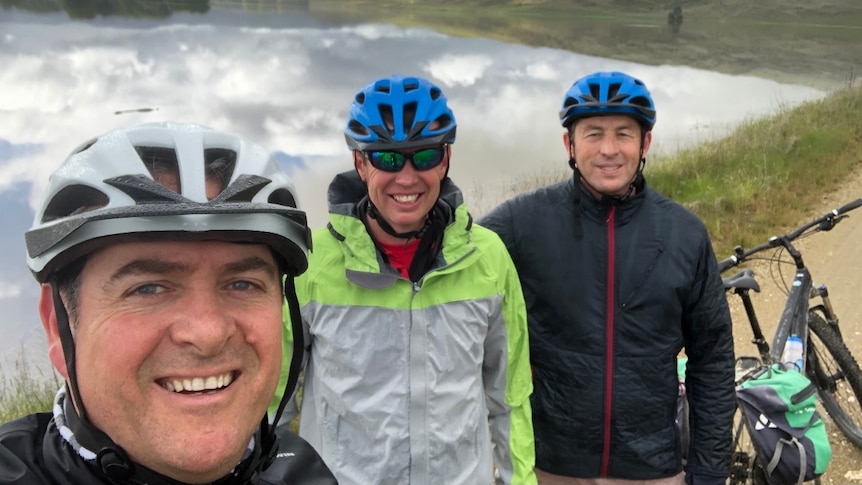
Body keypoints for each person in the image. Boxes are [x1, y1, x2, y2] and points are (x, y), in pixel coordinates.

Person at [0, 121, 338, 485]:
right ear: (58, 323)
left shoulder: (302, 472)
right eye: (148, 289)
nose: (208, 333)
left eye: (242, 283)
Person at [271, 75, 537, 485]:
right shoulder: (312, 263)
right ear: (361, 164)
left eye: (425, 156)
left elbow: (510, 396)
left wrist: (519, 481)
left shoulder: (489, 258)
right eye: (388, 159)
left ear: (445, 159)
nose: (408, 177)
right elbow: (274, 404)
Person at [478, 71, 735, 485]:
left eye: (624, 134)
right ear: (570, 144)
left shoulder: (684, 233)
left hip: (651, 467)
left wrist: (708, 470)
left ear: (645, 143)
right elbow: (449, 262)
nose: (609, 150)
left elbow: (713, 357)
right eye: (593, 133)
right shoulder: (522, 223)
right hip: (549, 465)